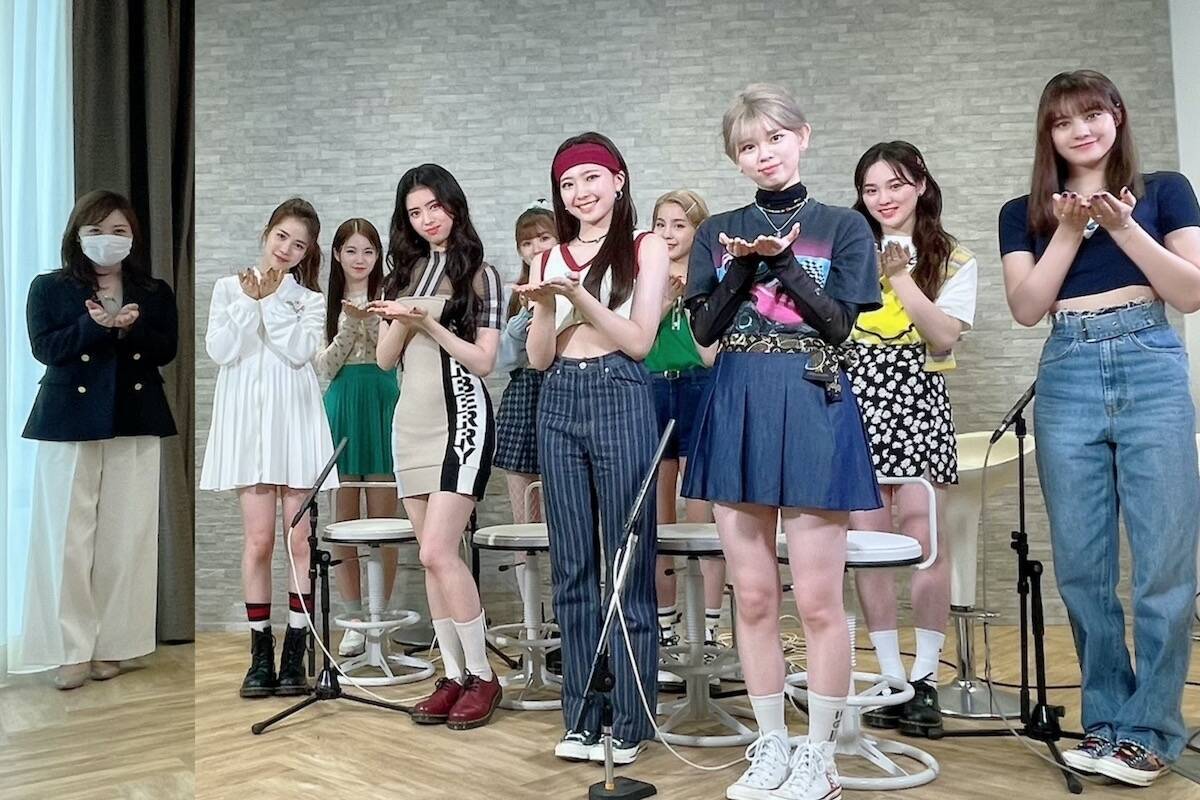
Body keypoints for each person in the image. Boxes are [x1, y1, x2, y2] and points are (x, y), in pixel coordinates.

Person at [999, 69, 1200, 788]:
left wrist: (1122, 226)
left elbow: (1190, 291)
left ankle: (1153, 731)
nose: (1080, 130)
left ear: (1117, 114)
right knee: (1083, 569)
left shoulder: (1167, 189)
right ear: (1047, 134)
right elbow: (1028, 308)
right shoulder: (1022, 211)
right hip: (1069, 369)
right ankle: (1108, 723)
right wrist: (1069, 229)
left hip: (1149, 360)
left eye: (1091, 114)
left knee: (1164, 565)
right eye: (1063, 121)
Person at [681, 84, 881, 800]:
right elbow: (704, 330)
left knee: (820, 602)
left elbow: (839, 326)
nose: (763, 154)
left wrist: (783, 262)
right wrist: (742, 264)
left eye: (774, 138)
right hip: (736, 399)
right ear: (735, 158)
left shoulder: (843, 227)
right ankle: (769, 744)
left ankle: (819, 757)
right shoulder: (719, 231)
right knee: (756, 597)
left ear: (802, 136)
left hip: (811, 401)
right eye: (747, 145)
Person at [516, 132, 669, 764]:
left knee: (626, 561)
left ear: (618, 180)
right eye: (568, 183)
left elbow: (639, 341)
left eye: (591, 178)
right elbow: (537, 357)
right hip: (558, 396)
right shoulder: (549, 256)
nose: (580, 193)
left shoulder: (645, 246)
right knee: (572, 564)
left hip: (620, 390)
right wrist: (546, 307)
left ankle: (631, 719)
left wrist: (577, 298)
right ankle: (580, 715)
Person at [14, 190, 177, 690]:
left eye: (119, 231)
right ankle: (70, 650)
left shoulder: (152, 291)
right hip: (68, 419)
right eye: (96, 230)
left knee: (125, 538)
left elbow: (166, 349)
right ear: (77, 235)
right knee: (67, 538)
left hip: (135, 414)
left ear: (133, 237)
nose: (108, 239)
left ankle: (114, 645)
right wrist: (93, 325)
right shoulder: (50, 287)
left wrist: (128, 330)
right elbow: (45, 348)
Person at [848, 141, 978, 738]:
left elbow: (944, 336)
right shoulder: (849, 253)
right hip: (852, 405)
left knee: (926, 542)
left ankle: (924, 678)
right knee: (867, 544)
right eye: (871, 189)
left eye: (896, 185)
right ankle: (890, 675)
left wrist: (899, 276)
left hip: (918, 401)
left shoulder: (951, 257)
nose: (883, 199)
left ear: (921, 184)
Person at [370, 164, 505, 729]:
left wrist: (427, 322)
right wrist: (403, 316)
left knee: (436, 551)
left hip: (462, 418)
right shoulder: (399, 277)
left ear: (454, 205)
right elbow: (384, 360)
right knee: (432, 558)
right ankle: (452, 675)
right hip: (410, 423)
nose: (427, 219)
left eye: (434, 206)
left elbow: (484, 361)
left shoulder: (482, 274)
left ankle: (484, 676)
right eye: (415, 212)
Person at [200, 197, 338, 699]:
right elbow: (221, 350)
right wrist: (249, 301)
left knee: (299, 542)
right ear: (267, 233)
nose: (287, 249)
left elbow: (300, 353)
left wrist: (271, 300)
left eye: (299, 245)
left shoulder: (310, 299)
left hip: (296, 422)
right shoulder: (226, 288)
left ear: (307, 252)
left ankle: (295, 651)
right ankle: (260, 651)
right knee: (258, 542)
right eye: (282, 237)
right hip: (248, 427)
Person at [645, 190, 723, 677]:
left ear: (698, 230)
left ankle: (708, 630)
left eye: (679, 224)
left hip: (699, 386)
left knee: (703, 519)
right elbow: (633, 340)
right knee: (659, 521)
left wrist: (690, 301)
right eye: (661, 223)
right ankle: (666, 627)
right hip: (653, 388)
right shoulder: (643, 275)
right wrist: (662, 300)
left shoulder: (711, 275)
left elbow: (711, 353)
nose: (669, 233)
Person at [315, 217, 399, 657]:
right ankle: (352, 620)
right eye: (351, 251)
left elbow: (391, 360)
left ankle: (380, 617)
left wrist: (375, 318)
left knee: (387, 522)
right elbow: (324, 368)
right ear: (336, 254)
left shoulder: (392, 296)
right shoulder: (322, 303)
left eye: (368, 251)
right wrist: (350, 322)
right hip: (343, 402)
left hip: (384, 400)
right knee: (344, 523)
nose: (360, 259)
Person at [493, 205, 557, 606]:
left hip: (564, 393)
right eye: (527, 242)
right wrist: (518, 326)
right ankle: (533, 618)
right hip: (523, 397)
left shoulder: (574, 285)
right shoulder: (514, 294)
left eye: (544, 238)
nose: (536, 248)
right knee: (524, 524)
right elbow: (501, 360)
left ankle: (566, 617)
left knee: (568, 519)